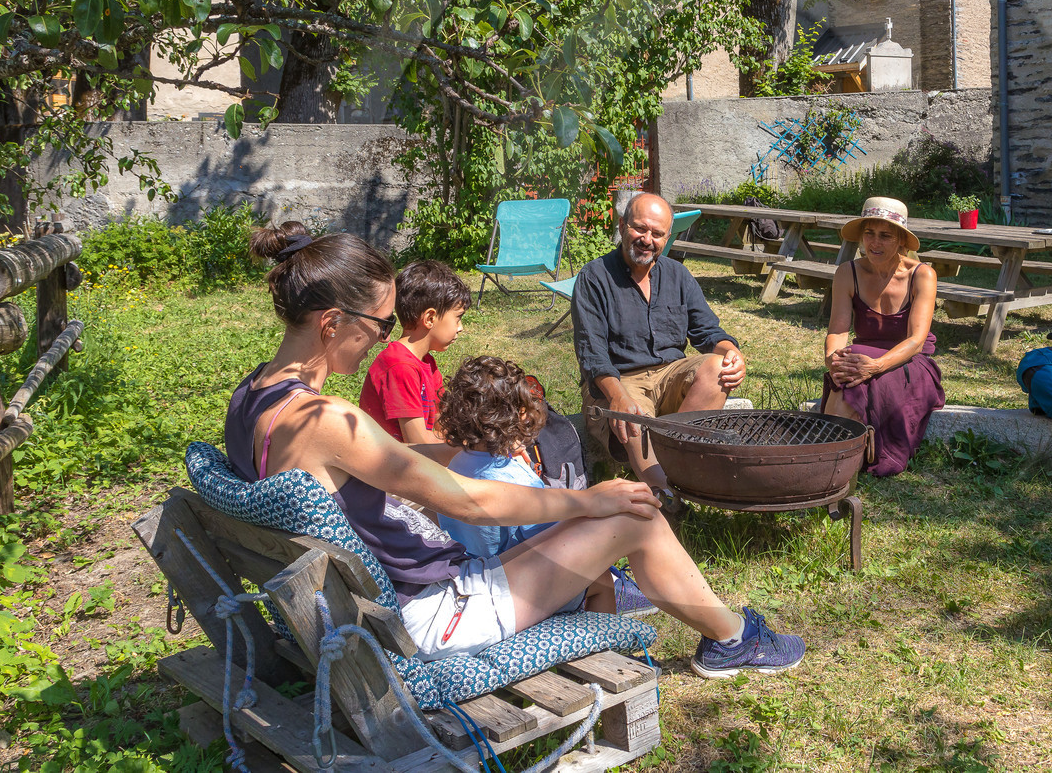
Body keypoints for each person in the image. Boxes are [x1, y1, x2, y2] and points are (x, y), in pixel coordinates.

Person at [226, 220, 803, 678]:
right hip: (429, 617)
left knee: (595, 515)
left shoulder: (253, 398)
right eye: (379, 326)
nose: (382, 338)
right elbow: (469, 505)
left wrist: (474, 460)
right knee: (636, 516)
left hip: (376, 607)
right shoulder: (325, 418)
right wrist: (586, 501)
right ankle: (732, 639)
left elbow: (399, 464)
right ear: (332, 323)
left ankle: (689, 617)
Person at [433, 355, 654, 617]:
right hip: (514, 586)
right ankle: (601, 637)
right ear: (519, 415)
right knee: (600, 580)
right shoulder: (515, 478)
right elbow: (549, 536)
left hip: (473, 571)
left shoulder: (458, 463)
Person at [572, 192, 747, 495]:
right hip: (618, 380)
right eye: (640, 228)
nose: (647, 239)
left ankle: (679, 467)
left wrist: (732, 353)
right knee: (634, 415)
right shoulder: (594, 277)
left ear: (667, 237)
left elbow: (708, 332)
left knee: (718, 366)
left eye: (657, 233)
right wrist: (618, 397)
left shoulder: (678, 275)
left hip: (669, 376)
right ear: (623, 224)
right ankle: (669, 497)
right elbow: (593, 354)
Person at [820, 197, 946, 477]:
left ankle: (831, 461)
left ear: (901, 240)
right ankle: (833, 460)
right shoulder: (848, 272)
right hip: (863, 355)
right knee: (845, 375)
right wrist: (833, 359)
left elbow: (915, 340)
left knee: (854, 380)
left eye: (885, 236)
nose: (874, 243)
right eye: (869, 234)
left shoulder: (922, 274)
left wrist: (875, 366)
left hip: (909, 360)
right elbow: (838, 330)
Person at [358, 259, 469, 444]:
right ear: (430, 318)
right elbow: (417, 444)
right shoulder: (399, 366)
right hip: (390, 465)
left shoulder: (426, 362)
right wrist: (466, 445)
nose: (460, 328)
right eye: (458, 318)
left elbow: (442, 421)